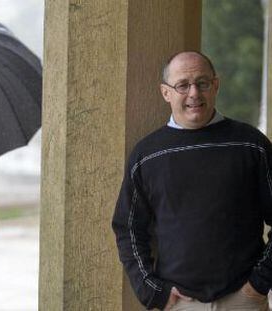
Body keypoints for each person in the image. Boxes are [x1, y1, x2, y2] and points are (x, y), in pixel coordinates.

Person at [112, 51, 272, 310]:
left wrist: (258, 285)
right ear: (166, 93)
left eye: (202, 83)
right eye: (183, 85)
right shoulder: (147, 155)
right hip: (179, 304)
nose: (194, 93)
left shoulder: (251, 145)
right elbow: (128, 228)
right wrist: (152, 292)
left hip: (243, 300)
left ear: (216, 86)